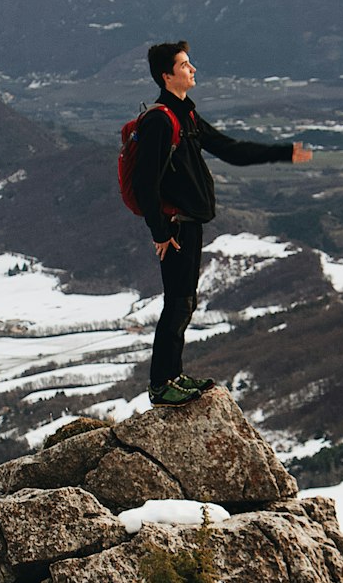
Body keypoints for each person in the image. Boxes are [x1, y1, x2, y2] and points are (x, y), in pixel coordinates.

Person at [132, 40, 312, 406]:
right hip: (176, 226)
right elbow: (144, 184)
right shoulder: (159, 121)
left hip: (189, 224)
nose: (193, 69)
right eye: (185, 65)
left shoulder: (187, 117)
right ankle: (161, 385)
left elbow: (230, 150)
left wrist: (282, 153)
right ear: (167, 76)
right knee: (177, 303)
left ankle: (172, 377)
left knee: (184, 303)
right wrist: (160, 232)